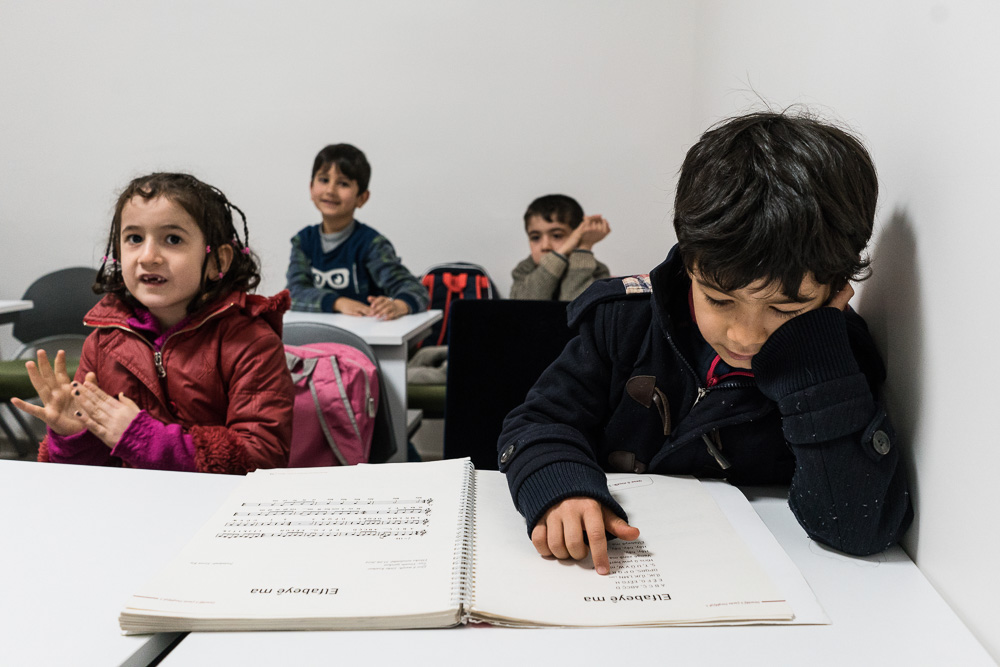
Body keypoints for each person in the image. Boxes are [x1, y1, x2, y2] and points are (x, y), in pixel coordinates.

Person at [498, 111, 912, 575]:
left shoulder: (836, 356)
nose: (745, 337)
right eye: (719, 299)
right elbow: (539, 421)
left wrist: (815, 361)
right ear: (688, 263)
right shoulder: (625, 321)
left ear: (835, 291)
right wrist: (561, 486)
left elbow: (857, 528)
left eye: (785, 309)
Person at [12, 173, 293, 473]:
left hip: (218, 501)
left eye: (173, 239)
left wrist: (141, 437)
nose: (148, 257)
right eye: (134, 239)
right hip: (130, 500)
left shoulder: (251, 341)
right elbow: (90, 475)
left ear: (217, 262)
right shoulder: (103, 342)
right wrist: (74, 437)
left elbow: (261, 457)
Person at [286, 143, 427, 320]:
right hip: (318, 333)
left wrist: (398, 306)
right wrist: (337, 302)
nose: (330, 190)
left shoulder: (371, 244)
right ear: (311, 188)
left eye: (343, 183)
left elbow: (415, 289)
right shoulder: (303, 241)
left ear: (362, 198)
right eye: (324, 180)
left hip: (367, 332)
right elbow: (293, 293)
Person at [510, 194, 612, 301]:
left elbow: (577, 308)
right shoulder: (524, 269)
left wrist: (584, 247)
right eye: (535, 237)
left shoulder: (597, 271)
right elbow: (524, 306)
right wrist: (561, 253)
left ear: (577, 236)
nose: (545, 246)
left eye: (557, 236)